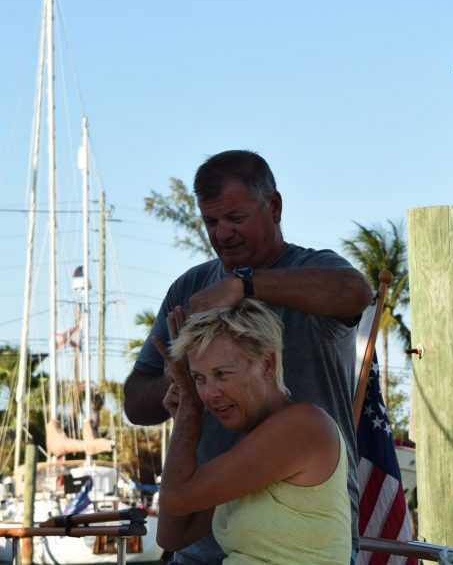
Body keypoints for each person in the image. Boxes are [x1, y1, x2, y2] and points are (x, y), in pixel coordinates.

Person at [125, 149, 372, 564]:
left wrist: (244, 286)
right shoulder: (190, 286)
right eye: (210, 222)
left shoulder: (314, 269)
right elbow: (135, 402)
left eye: (235, 219)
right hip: (206, 530)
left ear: (273, 207)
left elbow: (356, 292)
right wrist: (187, 386)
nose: (222, 234)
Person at [154, 300, 351, 563]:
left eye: (222, 374)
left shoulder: (302, 427)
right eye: (198, 378)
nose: (209, 393)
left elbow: (175, 499)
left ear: (268, 364)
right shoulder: (252, 446)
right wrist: (184, 415)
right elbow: (172, 535)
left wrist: (189, 403)